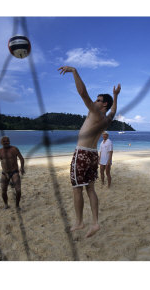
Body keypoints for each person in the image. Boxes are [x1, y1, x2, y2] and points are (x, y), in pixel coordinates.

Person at [58, 65, 121, 238]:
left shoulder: (95, 112)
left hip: (82, 154)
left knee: (77, 189)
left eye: (98, 99)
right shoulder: (107, 118)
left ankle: (79, 222)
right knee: (90, 189)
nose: (94, 101)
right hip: (93, 155)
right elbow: (114, 110)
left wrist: (74, 71)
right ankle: (95, 222)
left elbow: (82, 93)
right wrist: (115, 96)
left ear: (103, 104)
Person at [0, 136, 25, 209]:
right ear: (1, 143)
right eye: (4, 141)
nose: (6, 142)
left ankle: (17, 205)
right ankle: (6, 205)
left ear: (9, 141)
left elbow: (22, 159)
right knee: (3, 191)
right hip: (5, 173)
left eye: (7, 141)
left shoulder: (14, 149)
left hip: (14, 172)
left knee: (18, 191)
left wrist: (22, 168)